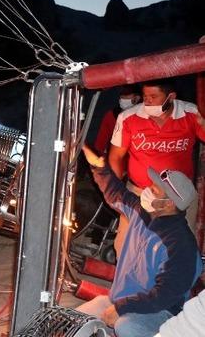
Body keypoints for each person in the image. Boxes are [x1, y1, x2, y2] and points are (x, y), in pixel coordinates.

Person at [77, 146, 201, 337]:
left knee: (127, 327)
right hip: (119, 302)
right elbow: (116, 193)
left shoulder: (181, 247)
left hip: (158, 312)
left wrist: (122, 308)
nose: (147, 190)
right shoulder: (142, 212)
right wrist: (99, 166)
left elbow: (164, 297)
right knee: (76, 321)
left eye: (154, 190)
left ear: (169, 204)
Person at [108, 79, 205, 240]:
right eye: (145, 96)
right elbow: (115, 157)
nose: (148, 101)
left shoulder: (191, 114)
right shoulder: (128, 117)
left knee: (179, 245)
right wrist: (116, 190)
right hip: (138, 193)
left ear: (171, 97)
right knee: (127, 245)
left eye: (153, 96)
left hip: (179, 195)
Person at [92, 84, 141, 156]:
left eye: (126, 95)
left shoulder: (145, 116)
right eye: (121, 95)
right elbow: (101, 143)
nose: (123, 98)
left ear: (137, 98)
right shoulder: (112, 115)